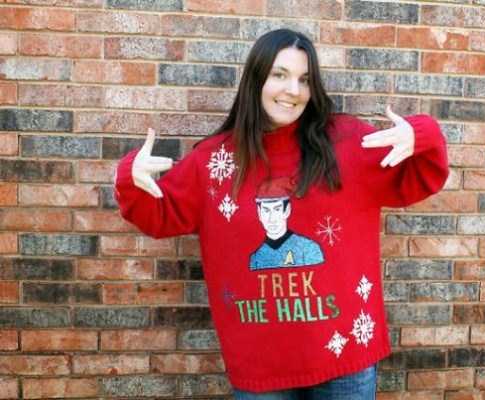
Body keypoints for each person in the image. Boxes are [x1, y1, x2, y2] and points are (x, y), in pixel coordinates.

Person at [114, 28, 449, 399]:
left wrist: (424, 135)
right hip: (261, 368)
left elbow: (420, 178)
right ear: (256, 78)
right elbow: (158, 214)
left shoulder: (347, 142)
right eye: (280, 75)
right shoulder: (215, 161)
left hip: (345, 360)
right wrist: (130, 178)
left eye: (304, 79)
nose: (293, 90)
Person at [250, 176, 324, 270]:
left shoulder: (308, 249)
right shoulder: (256, 258)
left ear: (287, 210)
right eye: (266, 210)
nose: (271, 219)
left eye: (277, 209)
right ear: (259, 213)